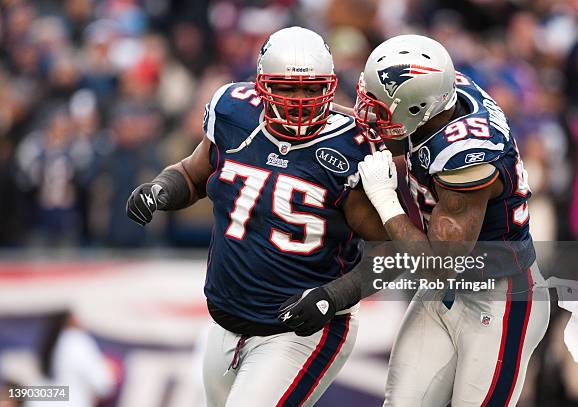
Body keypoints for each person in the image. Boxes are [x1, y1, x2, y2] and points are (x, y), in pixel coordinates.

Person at [278, 34, 551, 406]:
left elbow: (439, 265)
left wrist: (386, 200)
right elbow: (411, 142)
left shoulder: (467, 158)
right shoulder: (440, 96)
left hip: (499, 297)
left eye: (379, 107)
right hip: (444, 293)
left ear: (417, 107)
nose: (367, 112)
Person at [126, 26, 388, 407]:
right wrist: (161, 189)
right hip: (226, 322)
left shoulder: (354, 146)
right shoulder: (234, 112)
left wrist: (333, 296)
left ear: (329, 86)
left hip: (304, 330)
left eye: (312, 89)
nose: (300, 99)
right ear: (262, 84)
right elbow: (193, 173)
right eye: (288, 88)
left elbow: (396, 251)